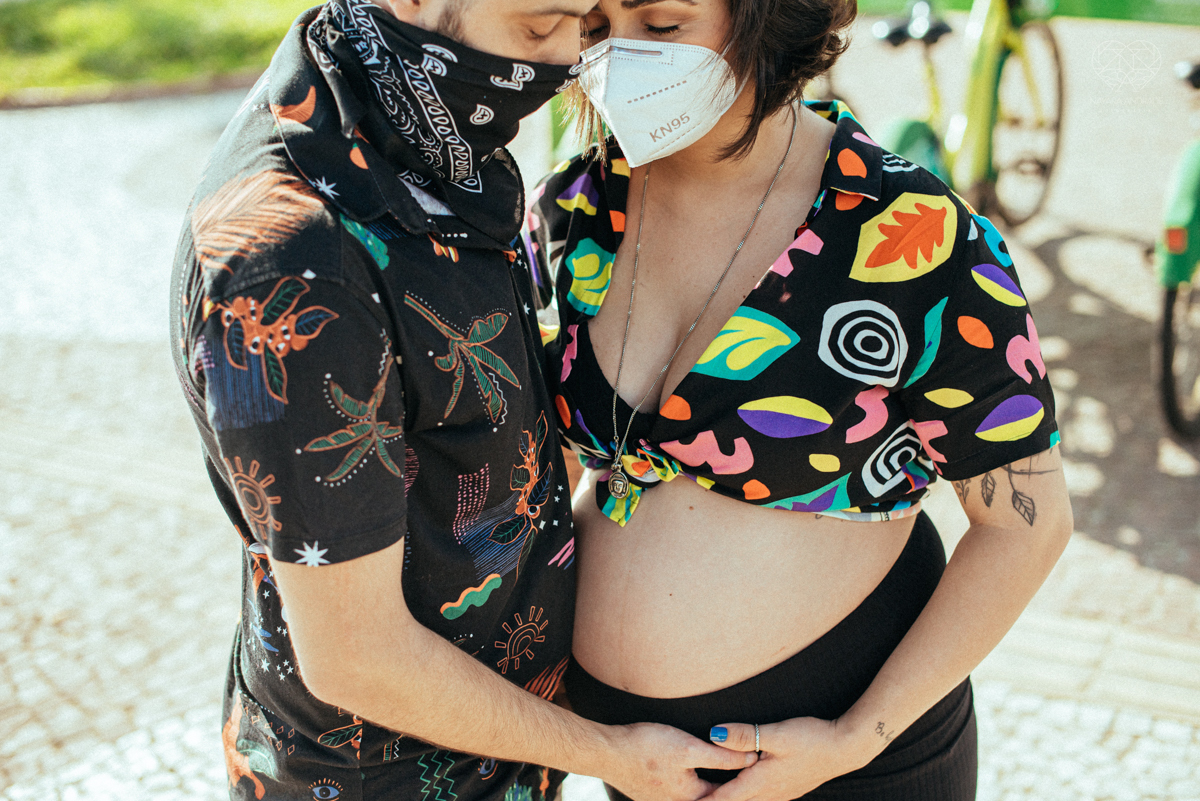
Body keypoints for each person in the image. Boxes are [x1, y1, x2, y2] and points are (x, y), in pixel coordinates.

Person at [169, 1, 759, 799]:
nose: (560, 69)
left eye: (580, 28)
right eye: (538, 27)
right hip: (383, 779)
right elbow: (357, 654)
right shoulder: (294, 263)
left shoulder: (405, 115)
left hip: (499, 754)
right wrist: (614, 755)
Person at [527, 0, 1074, 798]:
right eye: (601, 27)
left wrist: (855, 738)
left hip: (855, 767)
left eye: (664, 25)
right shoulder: (572, 210)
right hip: (636, 771)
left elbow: (1027, 527)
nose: (622, 59)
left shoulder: (914, 234)